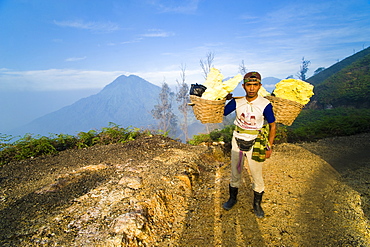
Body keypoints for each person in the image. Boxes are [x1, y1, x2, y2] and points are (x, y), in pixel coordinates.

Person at [222, 71, 276, 218]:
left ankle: (257, 204)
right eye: (249, 85)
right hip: (237, 140)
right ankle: (232, 198)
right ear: (243, 86)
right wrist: (223, 99)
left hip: (256, 142)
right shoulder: (237, 102)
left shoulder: (265, 104)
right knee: (235, 171)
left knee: (256, 173)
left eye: (255, 85)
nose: (251, 88)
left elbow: (272, 125)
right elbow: (222, 112)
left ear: (260, 86)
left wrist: (269, 146)